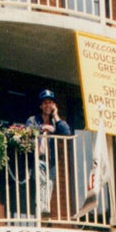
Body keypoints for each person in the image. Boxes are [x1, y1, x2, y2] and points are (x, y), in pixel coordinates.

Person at [25, 88, 71, 217]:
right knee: (41, 181)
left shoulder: (56, 123)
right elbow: (28, 131)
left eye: (50, 102)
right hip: (38, 158)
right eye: (45, 102)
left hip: (51, 160)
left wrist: (56, 116)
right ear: (41, 105)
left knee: (49, 183)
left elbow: (66, 132)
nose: (48, 105)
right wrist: (42, 128)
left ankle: (44, 208)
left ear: (54, 105)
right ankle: (41, 208)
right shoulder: (33, 120)